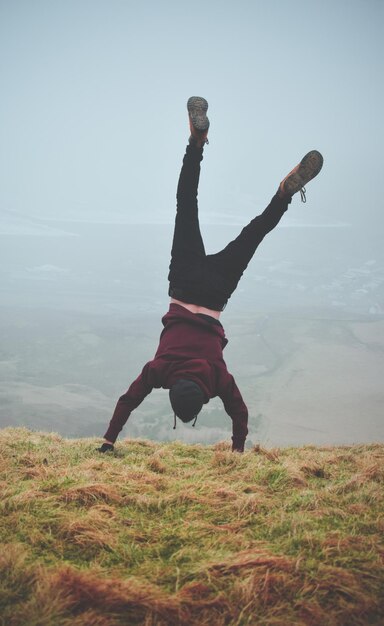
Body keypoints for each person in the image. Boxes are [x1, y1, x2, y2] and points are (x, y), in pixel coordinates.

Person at [98, 97, 323, 454]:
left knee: (255, 233)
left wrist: (237, 450)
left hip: (216, 293)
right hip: (184, 282)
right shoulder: (160, 370)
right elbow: (128, 400)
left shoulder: (217, 378)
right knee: (186, 202)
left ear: (203, 398)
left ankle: (282, 196)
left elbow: (240, 412)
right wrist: (107, 441)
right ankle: (196, 142)